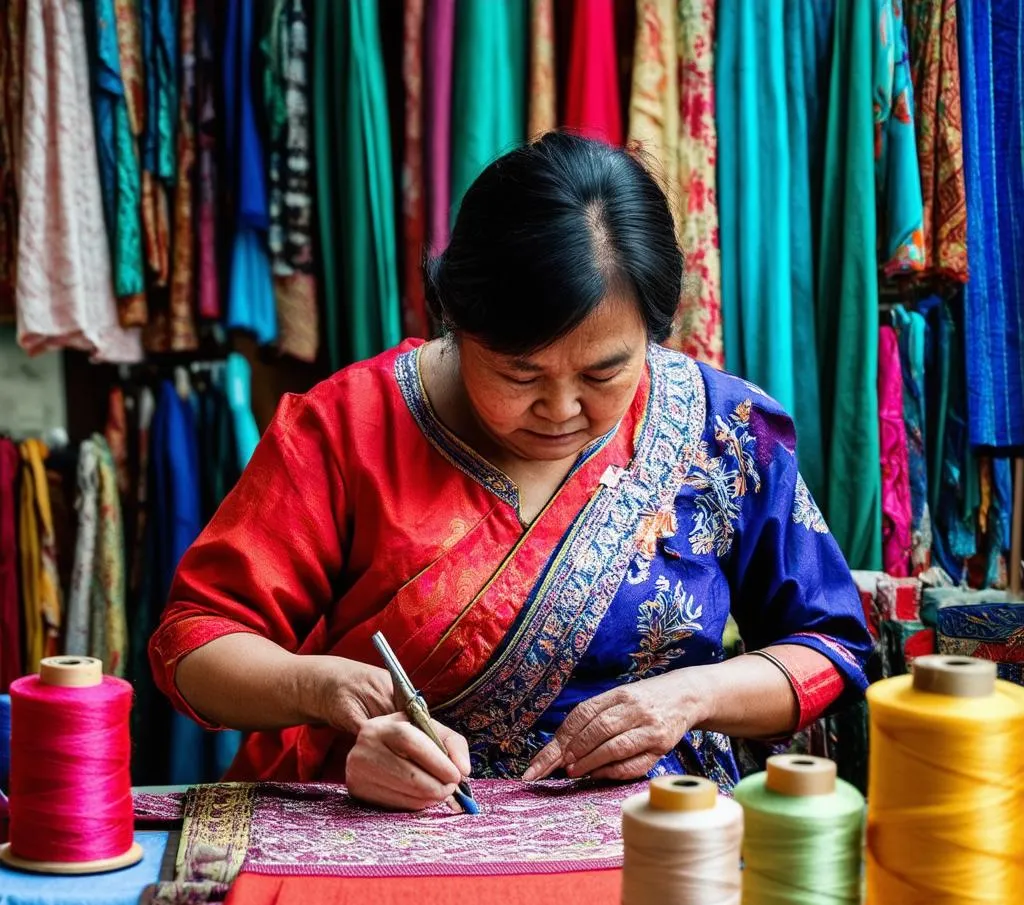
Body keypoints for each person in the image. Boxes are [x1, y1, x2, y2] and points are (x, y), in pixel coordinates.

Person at [150, 132, 871, 809]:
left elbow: (833, 649)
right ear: (455, 319)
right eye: (518, 373)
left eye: (603, 372)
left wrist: (691, 696)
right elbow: (194, 641)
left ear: (655, 333)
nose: (560, 408)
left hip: (661, 839)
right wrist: (323, 688)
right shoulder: (347, 428)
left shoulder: (724, 430)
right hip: (397, 828)